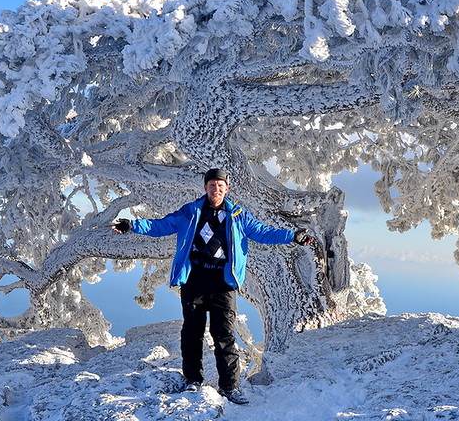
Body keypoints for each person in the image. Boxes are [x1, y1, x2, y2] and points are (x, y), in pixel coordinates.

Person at [112, 168, 313, 405]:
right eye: (212, 185)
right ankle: (192, 381)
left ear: (227, 189)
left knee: (224, 334)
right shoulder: (191, 211)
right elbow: (162, 226)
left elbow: (262, 232)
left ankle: (230, 387)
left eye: (220, 185)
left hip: (222, 281)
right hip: (194, 278)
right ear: (205, 187)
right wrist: (132, 225)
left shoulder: (238, 214)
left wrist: (292, 236)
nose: (216, 189)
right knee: (192, 332)